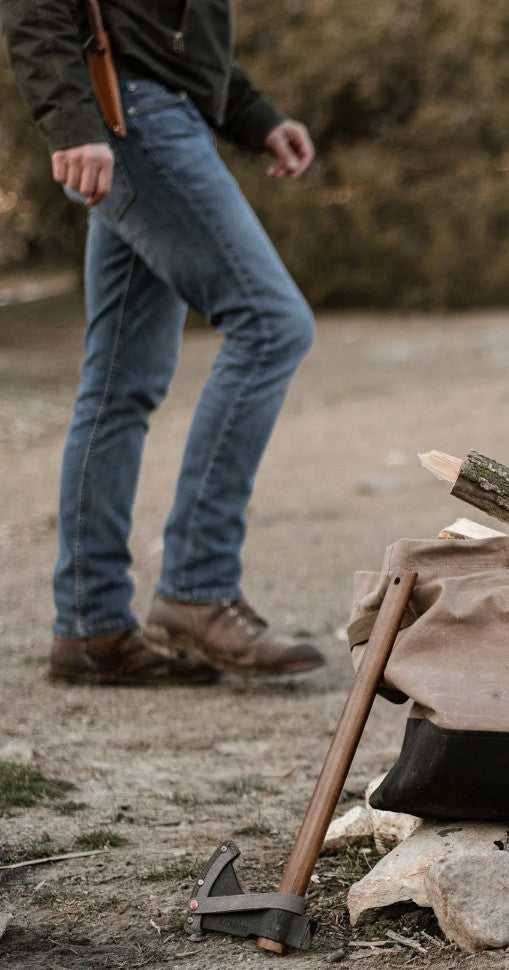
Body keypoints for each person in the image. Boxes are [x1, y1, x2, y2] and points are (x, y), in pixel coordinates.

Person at [1, 0, 326, 684]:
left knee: (120, 382)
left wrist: (255, 116)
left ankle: (92, 627)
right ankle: (197, 588)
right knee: (273, 325)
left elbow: (172, 40)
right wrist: (71, 123)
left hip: (145, 112)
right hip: (132, 118)